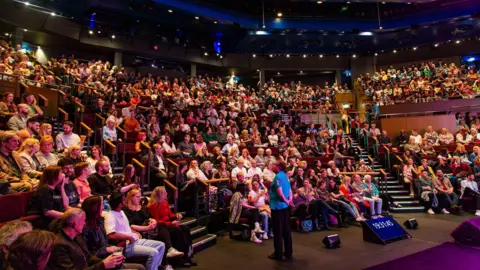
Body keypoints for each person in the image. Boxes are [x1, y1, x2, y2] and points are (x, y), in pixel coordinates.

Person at [47, 208, 127, 270]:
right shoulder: (59, 244)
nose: (84, 223)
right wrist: (102, 265)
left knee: (139, 267)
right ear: (75, 224)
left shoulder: (77, 237)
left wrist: (110, 261)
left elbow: (88, 257)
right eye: (83, 220)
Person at [105, 192, 167, 270]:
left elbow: (126, 228)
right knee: (154, 252)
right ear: (120, 204)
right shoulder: (110, 216)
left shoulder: (121, 212)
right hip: (126, 246)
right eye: (123, 200)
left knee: (161, 245)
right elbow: (110, 235)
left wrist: (134, 233)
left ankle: (155, 268)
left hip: (135, 240)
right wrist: (129, 237)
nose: (125, 201)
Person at [81, 196, 145, 270]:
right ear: (95, 208)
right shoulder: (85, 229)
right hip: (100, 264)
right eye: (101, 205)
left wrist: (115, 250)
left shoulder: (100, 222)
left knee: (141, 267)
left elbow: (105, 244)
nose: (103, 208)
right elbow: (88, 255)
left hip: (109, 259)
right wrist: (107, 250)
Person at [147, 187, 196, 266]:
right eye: (164, 193)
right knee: (179, 232)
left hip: (169, 224)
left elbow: (170, 215)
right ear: (159, 195)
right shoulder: (153, 205)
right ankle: (182, 260)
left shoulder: (165, 202)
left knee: (186, 229)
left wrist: (176, 216)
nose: (167, 194)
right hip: (162, 227)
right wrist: (171, 223)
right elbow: (157, 221)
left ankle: (188, 255)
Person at [268, 161, 293, 261]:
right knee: (286, 230)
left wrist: (286, 200)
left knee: (278, 231)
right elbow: (290, 190)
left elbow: (279, 193)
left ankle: (278, 254)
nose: (272, 166)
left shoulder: (278, 177)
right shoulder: (285, 176)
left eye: (274, 164)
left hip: (277, 207)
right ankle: (288, 252)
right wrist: (289, 201)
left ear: (278, 166)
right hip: (285, 207)